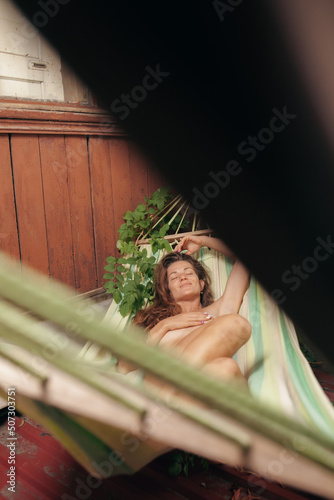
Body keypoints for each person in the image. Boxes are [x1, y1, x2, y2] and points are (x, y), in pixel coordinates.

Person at [133, 234, 252, 386]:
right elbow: (127, 365)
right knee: (234, 325)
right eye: (174, 277)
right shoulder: (154, 322)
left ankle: (174, 402)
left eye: (189, 273)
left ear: (202, 285)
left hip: (197, 390)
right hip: (161, 383)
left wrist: (203, 241)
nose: (183, 277)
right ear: (167, 290)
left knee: (227, 368)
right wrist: (165, 325)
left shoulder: (219, 311)